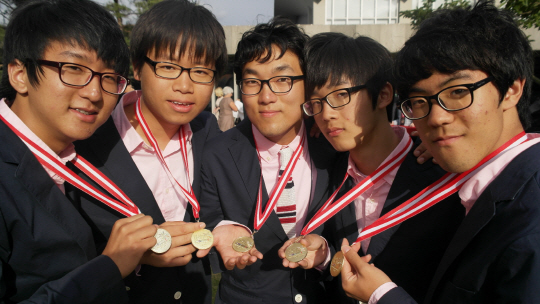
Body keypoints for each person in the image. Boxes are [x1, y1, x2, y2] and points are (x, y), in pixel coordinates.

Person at [340, 2, 540, 303]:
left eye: (458, 92)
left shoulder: (529, 225)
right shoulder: (478, 183)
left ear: (511, 89)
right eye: (420, 101)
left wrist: (382, 296)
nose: (436, 118)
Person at [0, 0, 158, 303]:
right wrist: (109, 267)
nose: (94, 92)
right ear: (20, 74)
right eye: (73, 69)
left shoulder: (75, 153)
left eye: (110, 77)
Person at [72, 0, 226, 303]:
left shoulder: (207, 130)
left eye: (200, 71)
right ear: (137, 67)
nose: (185, 85)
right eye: (168, 67)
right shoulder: (87, 143)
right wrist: (137, 257)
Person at [296, 32, 464, 304]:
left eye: (340, 95)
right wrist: (326, 256)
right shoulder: (331, 170)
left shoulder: (440, 173)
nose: (326, 114)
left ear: (384, 94)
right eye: (317, 103)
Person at [197, 18, 337, 303]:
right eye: (252, 82)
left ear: (307, 85)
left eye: (282, 80)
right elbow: (207, 222)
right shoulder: (217, 154)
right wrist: (221, 230)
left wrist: (326, 253)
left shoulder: (334, 147)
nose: (266, 96)